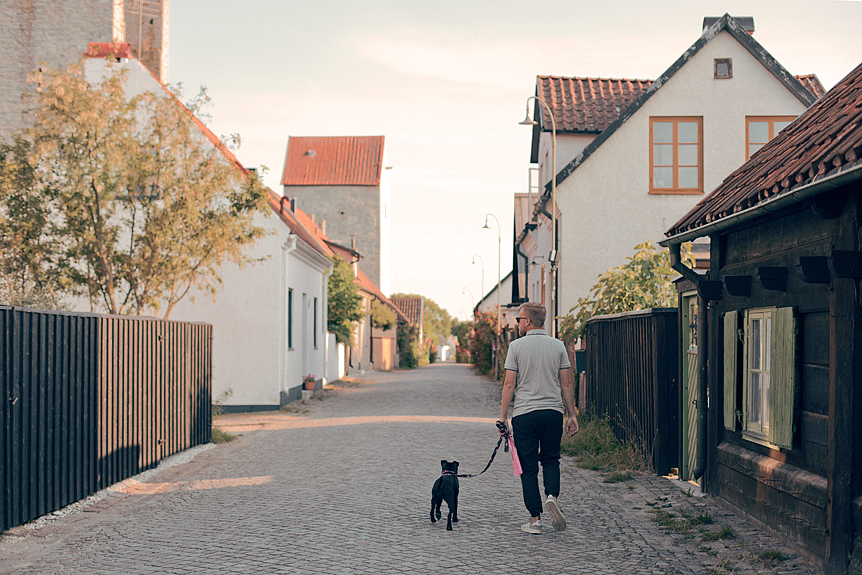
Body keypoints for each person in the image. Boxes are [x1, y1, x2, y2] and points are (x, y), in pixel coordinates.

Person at [497, 302, 578, 534]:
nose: (518, 323)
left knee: (528, 468)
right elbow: (566, 383)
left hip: (525, 415)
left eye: (519, 319)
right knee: (551, 459)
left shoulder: (516, 347)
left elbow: (509, 384)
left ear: (529, 321)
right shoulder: (558, 346)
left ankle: (534, 521)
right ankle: (551, 495)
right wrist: (571, 415)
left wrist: (503, 416)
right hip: (552, 413)